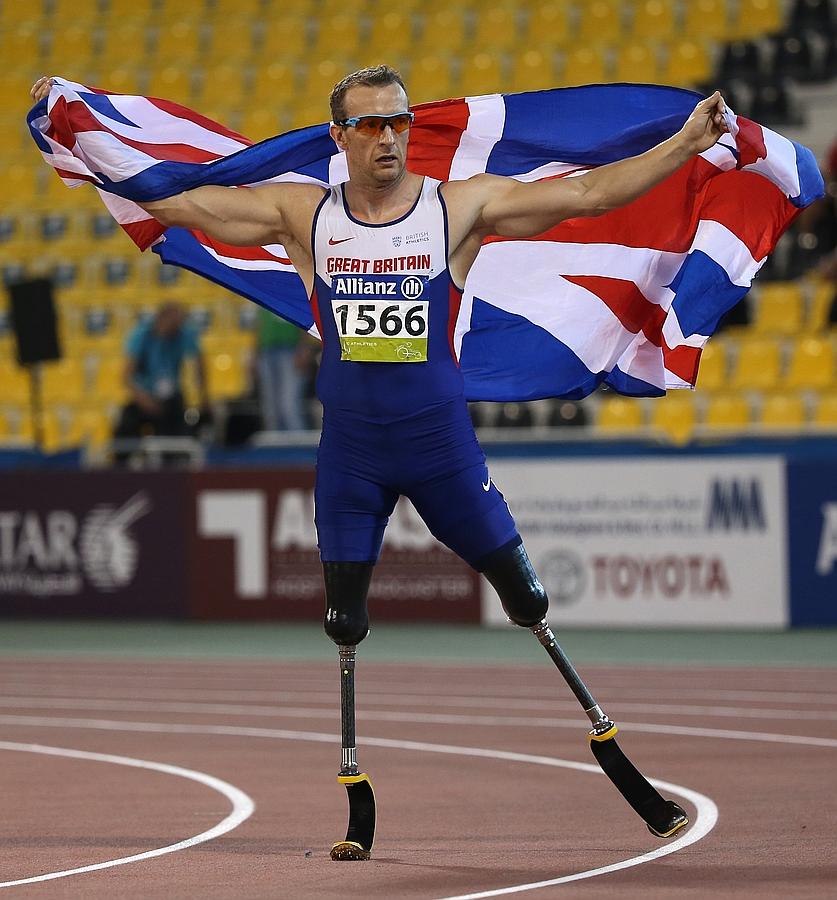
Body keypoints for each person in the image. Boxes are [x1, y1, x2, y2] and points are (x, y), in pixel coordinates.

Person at [31, 66, 729, 855]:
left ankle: (612, 749)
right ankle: (356, 796)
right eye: (368, 126)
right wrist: (85, 139)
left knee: (526, 599)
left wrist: (682, 143)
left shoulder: (455, 207)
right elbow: (183, 203)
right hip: (351, 458)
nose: (387, 136)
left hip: (441, 450)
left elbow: (587, 197)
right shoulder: (303, 215)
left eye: (396, 122)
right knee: (343, 619)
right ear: (339, 138)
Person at [114, 301, 207, 441]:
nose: (175, 329)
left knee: (180, 434)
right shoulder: (141, 335)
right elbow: (126, 376)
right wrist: (144, 400)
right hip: (143, 396)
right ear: (161, 318)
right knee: (125, 429)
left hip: (171, 398)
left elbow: (199, 364)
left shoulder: (183, 333)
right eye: (173, 324)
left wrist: (203, 395)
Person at [254, 305, 308, 431]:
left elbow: (305, 318)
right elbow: (259, 324)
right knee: (270, 407)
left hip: (290, 349)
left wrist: (303, 349)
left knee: (289, 404)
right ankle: (275, 445)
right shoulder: (262, 290)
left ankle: (299, 444)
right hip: (266, 351)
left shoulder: (294, 288)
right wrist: (255, 353)